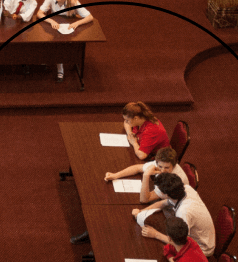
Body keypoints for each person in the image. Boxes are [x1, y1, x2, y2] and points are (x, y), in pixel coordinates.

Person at [70, 104, 169, 245]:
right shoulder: (141, 121)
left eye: (129, 120)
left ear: (136, 118)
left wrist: (134, 142)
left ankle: (100, 237)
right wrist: (116, 175)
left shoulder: (153, 130)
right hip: (149, 168)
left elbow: (141, 155)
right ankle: (94, 233)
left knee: (119, 204)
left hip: (154, 175)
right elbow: (126, 125)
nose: (127, 123)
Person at [133, 173, 215, 257]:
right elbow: (163, 203)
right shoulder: (186, 188)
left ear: (166, 195)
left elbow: (181, 243)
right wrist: (141, 211)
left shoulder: (183, 213)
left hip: (202, 249)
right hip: (200, 235)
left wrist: (155, 234)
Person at [36, 0, 93, 81]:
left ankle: (60, 68)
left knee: (61, 45)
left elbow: (89, 17)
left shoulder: (73, 1)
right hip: (56, 26)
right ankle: (54, 62)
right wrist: (50, 20)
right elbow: (40, 13)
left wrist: (76, 23)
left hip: (69, 27)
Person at [104, 147, 189, 200]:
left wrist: (146, 175)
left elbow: (145, 199)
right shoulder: (161, 162)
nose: (162, 170)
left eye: (166, 168)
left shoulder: (173, 179)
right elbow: (137, 168)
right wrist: (116, 175)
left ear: (174, 166)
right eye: (160, 166)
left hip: (173, 205)